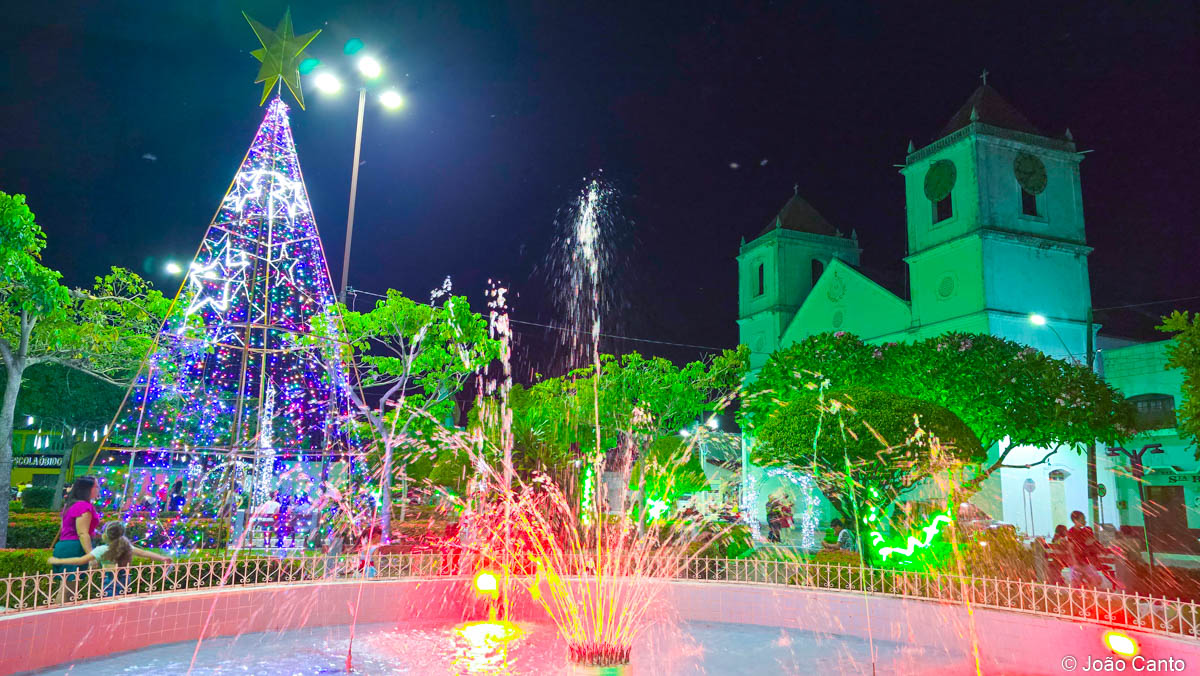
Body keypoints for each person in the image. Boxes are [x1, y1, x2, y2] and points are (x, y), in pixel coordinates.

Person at [48, 522, 172, 596]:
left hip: (109, 579)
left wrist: (58, 561)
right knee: (119, 600)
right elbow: (144, 553)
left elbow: (80, 560)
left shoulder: (102, 550)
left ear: (105, 535)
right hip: (125, 578)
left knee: (109, 601)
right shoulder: (125, 546)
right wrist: (162, 558)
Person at [52, 477, 102, 601]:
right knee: (68, 589)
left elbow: (69, 527)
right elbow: (82, 533)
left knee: (67, 587)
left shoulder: (71, 505)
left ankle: (61, 611)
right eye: (96, 486)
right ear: (87, 489)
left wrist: (94, 533)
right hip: (75, 547)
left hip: (64, 545)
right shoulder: (83, 506)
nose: (98, 489)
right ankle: (60, 612)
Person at [1067, 510, 1105, 588]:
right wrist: (1075, 562)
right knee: (1076, 582)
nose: (1084, 521)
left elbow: (1091, 542)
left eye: (1084, 519)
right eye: (1082, 519)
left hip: (1085, 561)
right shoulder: (1071, 532)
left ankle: (1088, 590)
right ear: (1075, 521)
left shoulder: (1087, 530)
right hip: (1077, 561)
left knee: (1097, 580)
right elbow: (1071, 548)